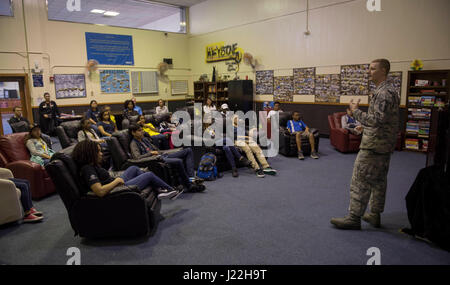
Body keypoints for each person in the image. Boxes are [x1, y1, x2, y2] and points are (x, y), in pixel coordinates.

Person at [330, 58, 400, 230]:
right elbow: (384, 121)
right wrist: (365, 125)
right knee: (378, 181)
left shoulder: (383, 93)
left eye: (372, 69)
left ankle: (353, 218)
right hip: (383, 145)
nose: (369, 72)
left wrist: (355, 112)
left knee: (360, 179)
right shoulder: (390, 91)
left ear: (383, 71)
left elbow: (376, 120)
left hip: (373, 146)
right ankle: (375, 215)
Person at [72, 140, 181, 200]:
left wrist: (115, 180)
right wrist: (117, 181)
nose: (101, 154)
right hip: (116, 189)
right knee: (149, 175)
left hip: (116, 183)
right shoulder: (87, 169)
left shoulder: (91, 165)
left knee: (133, 168)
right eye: (98, 151)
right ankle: (171, 190)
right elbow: (100, 191)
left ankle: (158, 190)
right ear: (90, 153)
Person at [128, 124, 205, 193]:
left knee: (188, 150)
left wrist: (167, 152)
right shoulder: (133, 143)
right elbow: (137, 157)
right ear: (133, 132)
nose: (142, 132)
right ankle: (189, 186)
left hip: (163, 155)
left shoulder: (144, 139)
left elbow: (157, 150)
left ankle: (191, 178)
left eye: (142, 130)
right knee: (178, 161)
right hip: (156, 160)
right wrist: (150, 153)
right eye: (139, 131)